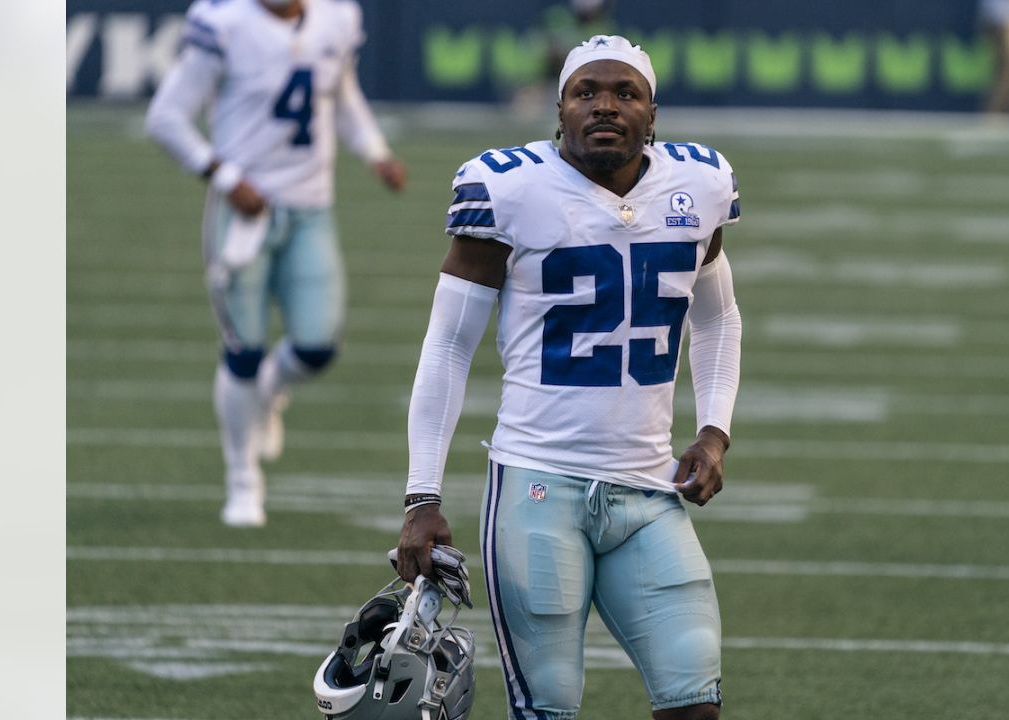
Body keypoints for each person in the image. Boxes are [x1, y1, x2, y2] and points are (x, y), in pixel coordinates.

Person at [395, 35, 742, 720]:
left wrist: (713, 432)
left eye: (624, 93)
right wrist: (421, 496)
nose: (604, 106)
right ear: (559, 110)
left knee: (694, 703)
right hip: (537, 489)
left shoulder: (698, 185)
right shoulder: (509, 190)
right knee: (548, 709)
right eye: (586, 93)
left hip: (648, 492)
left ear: (653, 114)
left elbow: (719, 318)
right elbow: (448, 345)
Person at [145, 0, 406, 527]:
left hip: (311, 207)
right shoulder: (224, 22)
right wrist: (223, 176)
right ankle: (243, 480)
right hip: (244, 214)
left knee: (317, 344)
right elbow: (165, 118)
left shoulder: (336, 17)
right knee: (243, 348)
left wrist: (374, 150)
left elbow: (341, 94)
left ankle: (271, 388)